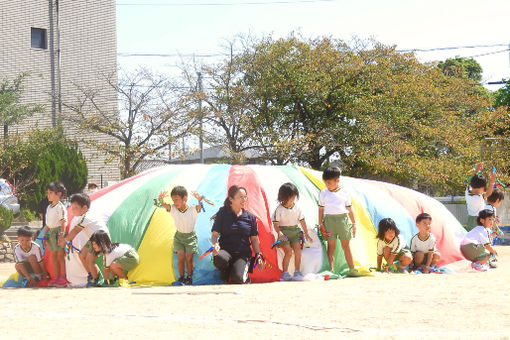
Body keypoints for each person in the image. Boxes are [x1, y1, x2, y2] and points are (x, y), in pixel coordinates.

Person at [211, 185, 264, 284]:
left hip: (242, 254)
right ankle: (226, 270)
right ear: (231, 199)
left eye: (245, 197)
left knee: (238, 279)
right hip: (226, 251)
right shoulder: (222, 214)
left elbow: (254, 239)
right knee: (219, 257)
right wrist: (215, 245)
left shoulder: (250, 217)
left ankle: (241, 273)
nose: (244, 199)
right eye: (241, 197)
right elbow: (215, 235)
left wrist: (258, 255)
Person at [318, 166, 360, 276]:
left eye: (330, 183)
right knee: (331, 246)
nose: (328, 185)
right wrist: (320, 223)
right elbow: (321, 209)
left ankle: (352, 269)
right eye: (326, 183)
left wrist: (354, 223)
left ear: (337, 180)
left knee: (346, 246)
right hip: (329, 221)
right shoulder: (323, 192)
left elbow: (350, 209)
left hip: (343, 220)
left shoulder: (344, 192)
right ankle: (330, 270)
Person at [59, 193, 109, 287]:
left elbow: (75, 231)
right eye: (72, 207)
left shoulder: (87, 217)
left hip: (101, 239)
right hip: (94, 239)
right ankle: (92, 276)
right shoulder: (83, 217)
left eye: (75, 208)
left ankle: (96, 280)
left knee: (90, 259)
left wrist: (65, 240)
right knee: (82, 255)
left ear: (84, 207)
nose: (73, 210)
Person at [160, 186, 202, 285]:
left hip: (190, 237)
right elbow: (163, 205)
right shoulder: (173, 208)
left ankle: (189, 277)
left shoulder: (192, 209)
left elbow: (200, 207)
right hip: (179, 237)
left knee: (189, 257)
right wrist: (161, 199)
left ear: (185, 198)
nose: (175, 202)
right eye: (173, 200)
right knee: (180, 257)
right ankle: (182, 277)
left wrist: (199, 200)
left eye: (177, 200)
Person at [272, 182, 313, 281]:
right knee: (289, 252)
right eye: (290, 197)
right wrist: (280, 233)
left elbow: (302, 220)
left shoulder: (297, 208)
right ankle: (285, 272)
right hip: (284, 233)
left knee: (298, 251)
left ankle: (297, 271)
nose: (292, 200)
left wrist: (306, 233)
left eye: (294, 197)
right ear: (283, 197)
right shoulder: (279, 209)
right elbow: (276, 224)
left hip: (295, 232)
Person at [43, 181, 68, 287]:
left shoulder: (60, 207)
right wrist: (44, 235)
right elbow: (48, 224)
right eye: (47, 193)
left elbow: (63, 223)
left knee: (60, 256)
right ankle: (56, 277)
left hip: (58, 233)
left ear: (59, 194)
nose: (48, 195)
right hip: (51, 234)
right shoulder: (49, 207)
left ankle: (62, 278)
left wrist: (61, 235)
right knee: (53, 256)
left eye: (50, 193)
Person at [465, 162, 496, 231]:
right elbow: (488, 193)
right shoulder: (479, 197)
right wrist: (492, 183)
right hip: (479, 220)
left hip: (470, 219)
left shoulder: (467, 191)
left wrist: (476, 170)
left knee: (470, 236)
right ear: (482, 187)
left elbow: (471, 181)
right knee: (480, 237)